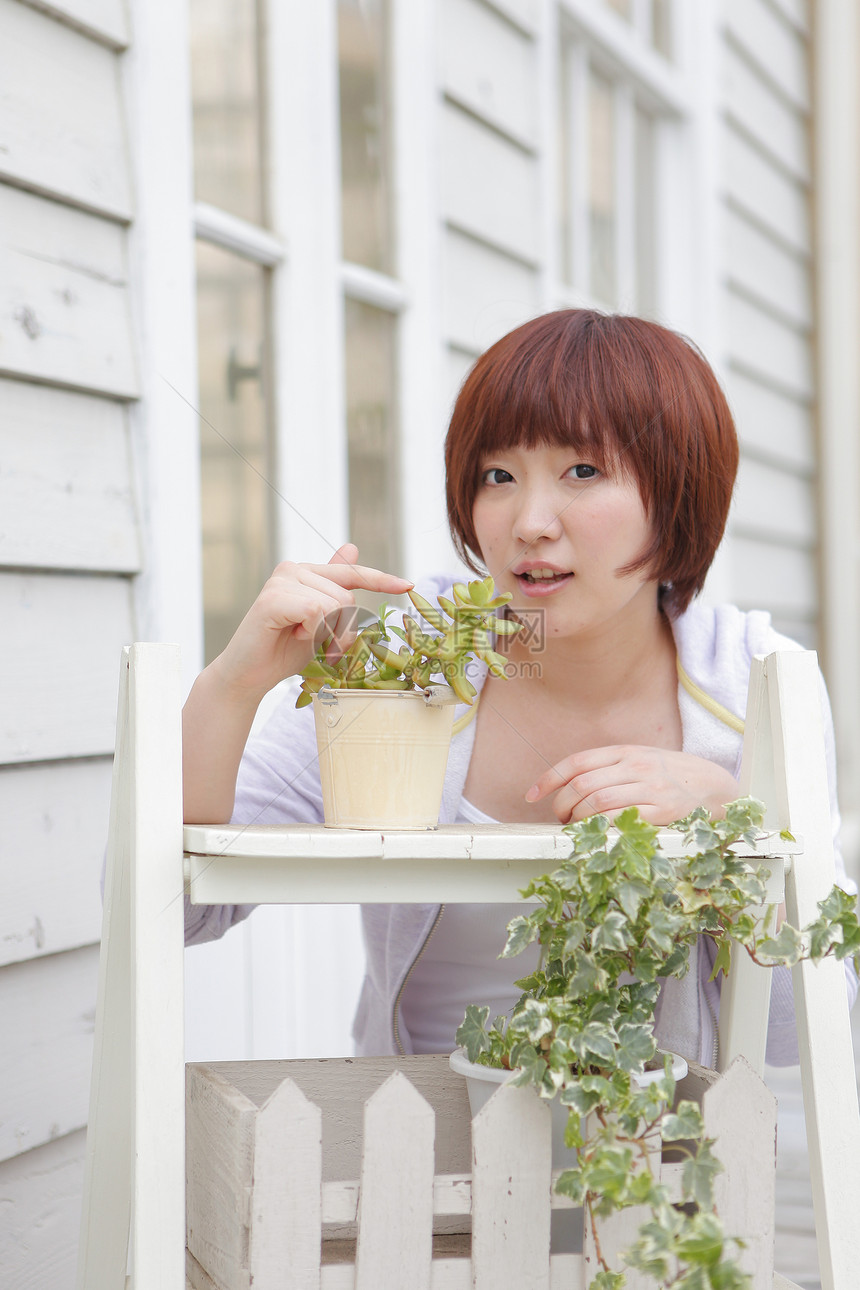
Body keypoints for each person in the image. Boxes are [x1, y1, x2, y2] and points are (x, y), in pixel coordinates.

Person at [182, 308, 855, 1067]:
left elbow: (801, 1032)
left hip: (651, 1165)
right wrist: (232, 684)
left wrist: (735, 824)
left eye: (584, 471)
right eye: (498, 476)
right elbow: (174, 911)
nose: (530, 522)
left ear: (676, 497)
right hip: (412, 1150)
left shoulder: (756, 681)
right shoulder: (409, 658)